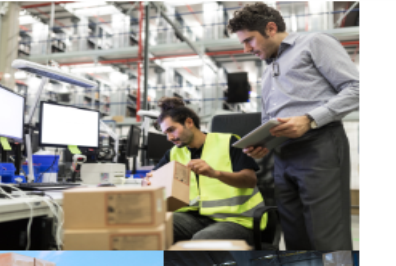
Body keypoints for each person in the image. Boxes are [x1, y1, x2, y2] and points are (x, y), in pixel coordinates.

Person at [227, 2, 359, 250]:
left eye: (249, 40)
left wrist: (309, 119)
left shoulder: (314, 43)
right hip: (282, 154)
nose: (246, 49)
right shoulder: (268, 71)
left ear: (270, 28)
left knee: (327, 236)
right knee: (294, 236)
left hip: (319, 146)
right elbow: (269, 117)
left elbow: (356, 88)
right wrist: (263, 143)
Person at [145, 97, 266, 245]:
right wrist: (149, 182)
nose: (169, 138)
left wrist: (215, 174)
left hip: (235, 219)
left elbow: (250, 180)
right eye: (166, 133)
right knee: (150, 226)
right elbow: (154, 180)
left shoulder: (228, 142)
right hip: (194, 218)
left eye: (172, 130)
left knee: (202, 241)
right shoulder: (173, 153)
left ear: (189, 122)